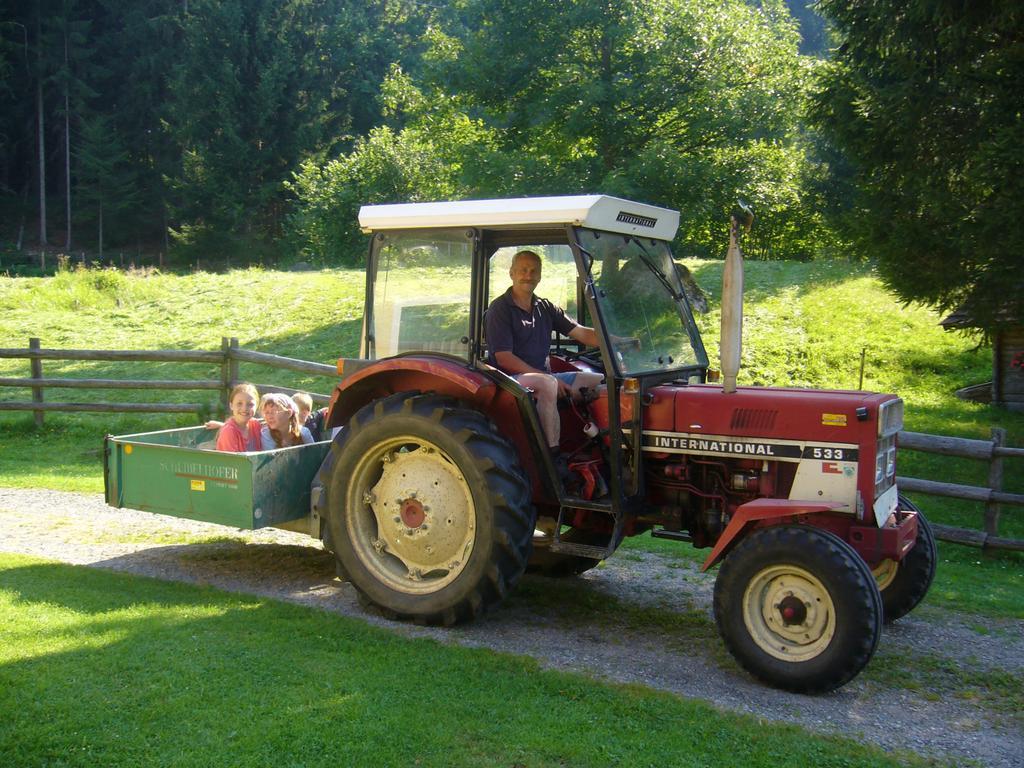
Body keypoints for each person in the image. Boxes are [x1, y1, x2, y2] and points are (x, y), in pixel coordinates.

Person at [484, 249, 604, 467]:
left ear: (540, 276)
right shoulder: (499, 309)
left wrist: (616, 341)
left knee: (596, 380)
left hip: (540, 376)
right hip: (508, 380)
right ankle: (551, 459)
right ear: (511, 273)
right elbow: (504, 359)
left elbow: (581, 333)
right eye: (523, 270)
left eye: (533, 271)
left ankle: (597, 446)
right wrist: (550, 378)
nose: (528, 275)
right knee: (548, 383)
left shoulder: (545, 307)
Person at [214, 383, 263, 452]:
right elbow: (231, 461)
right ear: (231, 405)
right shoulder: (228, 432)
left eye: (250, 404)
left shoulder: (255, 425)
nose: (244, 408)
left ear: (257, 406)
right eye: (239, 403)